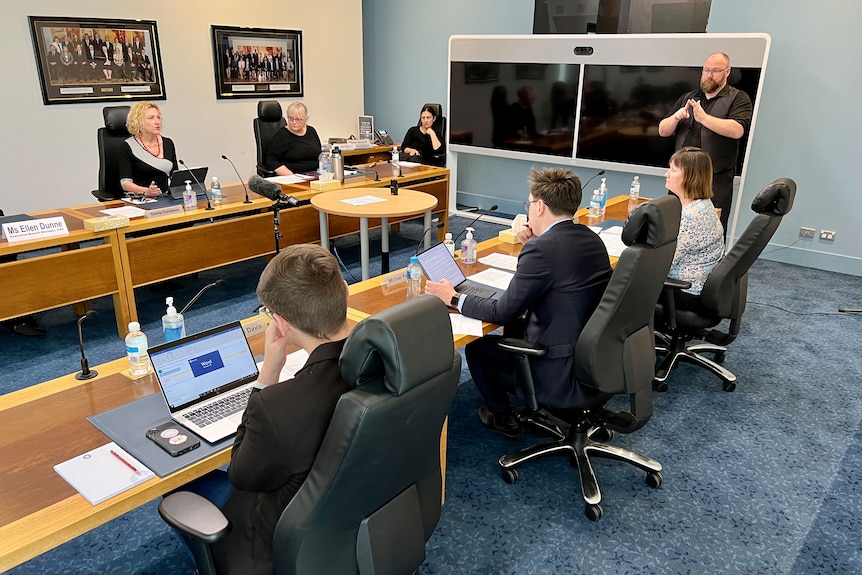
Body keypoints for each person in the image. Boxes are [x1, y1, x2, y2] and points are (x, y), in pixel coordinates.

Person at [178, 244, 352, 575]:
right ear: (343, 292)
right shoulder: (387, 358)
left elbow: (240, 475)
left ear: (281, 323)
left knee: (187, 487)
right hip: (357, 516)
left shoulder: (277, 405)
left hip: (275, 549)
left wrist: (267, 374)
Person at [425, 167, 612, 439]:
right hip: (592, 355)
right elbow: (556, 274)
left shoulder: (541, 250)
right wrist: (536, 239)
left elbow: (503, 312)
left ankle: (504, 420)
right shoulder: (591, 239)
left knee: (478, 350)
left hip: (558, 365)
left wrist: (453, 297)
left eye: (529, 203)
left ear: (540, 207)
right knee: (516, 327)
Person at [658, 52, 752, 233]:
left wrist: (704, 118)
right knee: (673, 228)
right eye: (706, 70)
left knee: (711, 230)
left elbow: (737, 130)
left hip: (714, 179)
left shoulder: (738, 98)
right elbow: (663, 130)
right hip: (681, 178)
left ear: (727, 72)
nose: (709, 75)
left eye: (715, 71)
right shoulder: (688, 97)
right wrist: (676, 117)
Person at [664, 146, 725, 299]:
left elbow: (663, 263)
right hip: (701, 284)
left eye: (673, 170)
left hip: (684, 291)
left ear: (690, 176)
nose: (667, 174)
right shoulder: (704, 205)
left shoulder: (691, 217)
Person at [118, 101, 177, 197]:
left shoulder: (168, 143)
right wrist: (147, 191)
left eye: (158, 117)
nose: (157, 122)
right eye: (151, 118)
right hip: (141, 198)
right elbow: (125, 183)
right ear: (138, 122)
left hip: (166, 198)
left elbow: (175, 175)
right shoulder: (127, 146)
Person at [265, 101, 322, 176]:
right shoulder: (282, 135)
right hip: (294, 176)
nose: (294, 122)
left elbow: (320, 153)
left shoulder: (311, 131)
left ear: (306, 119)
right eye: (291, 118)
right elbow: (271, 160)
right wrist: (291, 176)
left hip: (315, 174)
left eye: (298, 119)